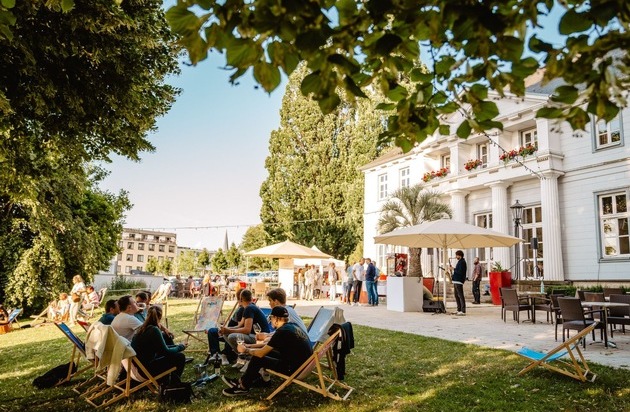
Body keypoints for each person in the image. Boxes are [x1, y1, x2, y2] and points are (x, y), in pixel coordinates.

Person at [221, 306, 313, 396]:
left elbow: (261, 353)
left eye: (271, 318)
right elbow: (269, 345)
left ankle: (243, 387)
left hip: (295, 369)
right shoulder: (292, 326)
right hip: (304, 364)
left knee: (258, 358)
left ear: (276, 319)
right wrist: (249, 346)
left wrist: (246, 350)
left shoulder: (282, 332)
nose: (270, 320)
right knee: (263, 353)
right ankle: (252, 380)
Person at [131, 306, 187, 383]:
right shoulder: (154, 330)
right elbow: (165, 352)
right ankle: (174, 383)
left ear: (147, 315)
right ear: (160, 317)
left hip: (138, 368)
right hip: (146, 371)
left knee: (173, 351)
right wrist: (181, 347)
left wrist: (177, 346)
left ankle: (170, 380)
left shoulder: (142, 328)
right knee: (180, 357)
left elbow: (161, 348)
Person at [220, 290, 270, 364]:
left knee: (232, 336)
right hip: (259, 336)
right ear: (251, 298)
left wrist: (229, 330)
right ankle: (243, 357)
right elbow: (239, 325)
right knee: (225, 334)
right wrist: (226, 329)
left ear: (241, 299)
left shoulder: (249, 308)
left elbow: (247, 330)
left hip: (260, 337)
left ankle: (246, 357)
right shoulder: (249, 307)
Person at [207, 289, 244, 365]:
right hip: (228, 330)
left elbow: (240, 326)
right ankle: (216, 354)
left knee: (227, 334)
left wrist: (227, 329)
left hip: (232, 332)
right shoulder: (240, 308)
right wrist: (224, 326)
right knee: (212, 331)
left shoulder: (242, 310)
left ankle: (225, 355)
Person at [450, 250, 468, 316]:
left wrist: (453, 269)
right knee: (456, 295)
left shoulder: (462, 262)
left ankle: (463, 310)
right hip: (456, 280)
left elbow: (460, 272)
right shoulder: (460, 261)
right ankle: (459, 309)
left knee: (460, 295)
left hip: (459, 280)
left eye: (456, 255)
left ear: (459, 255)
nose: (456, 257)